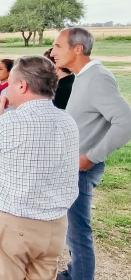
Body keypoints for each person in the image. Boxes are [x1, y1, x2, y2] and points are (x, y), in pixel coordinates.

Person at [0, 55, 79, 279]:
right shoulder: (68, 122)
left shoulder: (10, 122)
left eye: (10, 84)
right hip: (54, 226)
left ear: (21, 85)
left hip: (13, 224)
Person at [50, 27, 131, 280]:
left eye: (57, 47)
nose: (52, 53)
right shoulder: (81, 76)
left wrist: (91, 157)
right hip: (72, 166)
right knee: (71, 231)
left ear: (78, 49)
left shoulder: (97, 77)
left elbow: (126, 121)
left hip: (82, 169)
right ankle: (76, 272)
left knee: (77, 233)